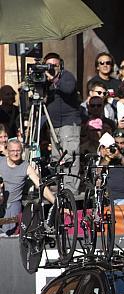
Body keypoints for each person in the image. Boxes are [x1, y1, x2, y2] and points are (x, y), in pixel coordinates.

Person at [44, 52, 81, 194]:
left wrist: (54, 79)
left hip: (68, 123)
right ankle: (59, 185)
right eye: (49, 66)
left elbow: (68, 89)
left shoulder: (66, 76)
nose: (52, 68)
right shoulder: (45, 81)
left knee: (69, 156)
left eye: (55, 65)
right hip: (54, 125)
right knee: (56, 157)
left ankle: (70, 189)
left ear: (61, 65)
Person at [0, 140, 55, 234]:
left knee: (7, 233)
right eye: (12, 151)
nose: (15, 153)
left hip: (12, 204)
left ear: (22, 151)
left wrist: (56, 202)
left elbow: (40, 186)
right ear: (7, 151)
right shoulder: (1, 162)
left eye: (18, 150)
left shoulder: (25, 166)